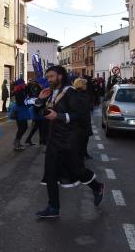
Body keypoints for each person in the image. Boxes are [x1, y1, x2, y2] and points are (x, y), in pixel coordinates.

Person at [35, 66, 105, 219]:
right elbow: (42, 113)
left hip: (69, 140)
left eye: (51, 77)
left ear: (60, 76)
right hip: (53, 140)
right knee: (50, 173)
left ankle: (97, 186)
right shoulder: (52, 93)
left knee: (76, 170)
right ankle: (53, 207)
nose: (49, 80)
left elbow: (79, 115)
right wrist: (40, 100)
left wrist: (58, 116)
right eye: (48, 77)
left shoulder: (71, 92)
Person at [74, 78, 93, 160]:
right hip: (80, 121)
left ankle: (84, 153)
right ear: (81, 85)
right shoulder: (77, 95)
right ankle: (80, 155)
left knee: (85, 139)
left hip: (85, 120)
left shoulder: (84, 94)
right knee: (80, 140)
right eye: (85, 84)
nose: (86, 86)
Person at [11, 78, 30, 150]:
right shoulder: (19, 91)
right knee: (23, 127)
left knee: (22, 127)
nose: (25, 84)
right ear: (20, 84)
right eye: (23, 83)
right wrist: (27, 101)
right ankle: (16, 143)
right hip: (20, 110)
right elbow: (20, 102)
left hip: (20, 110)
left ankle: (17, 142)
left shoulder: (20, 90)